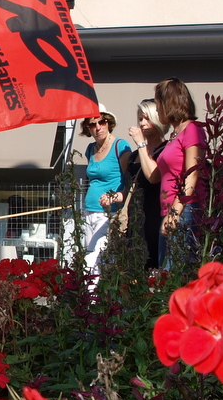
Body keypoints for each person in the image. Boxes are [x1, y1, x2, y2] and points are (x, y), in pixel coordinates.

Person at [135, 78, 207, 267]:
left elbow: (192, 173)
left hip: (185, 211)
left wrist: (175, 213)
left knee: (176, 273)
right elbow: (157, 175)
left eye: (158, 104)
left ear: (169, 103)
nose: (157, 110)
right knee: (166, 274)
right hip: (169, 211)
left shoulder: (192, 130)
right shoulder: (175, 135)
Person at [81, 104, 131, 276]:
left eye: (101, 122)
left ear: (108, 122)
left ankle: (93, 300)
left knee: (96, 260)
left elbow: (130, 182)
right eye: (92, 124)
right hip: (88, 212)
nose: (98, 127)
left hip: (109, 213)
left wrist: (114, 197)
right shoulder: (90, 149)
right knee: (89, 255)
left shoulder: (120, 146)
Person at [127, 99, 169, 268]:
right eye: (140, 119)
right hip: (135, 218)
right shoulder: (134, 155)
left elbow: (153, 176)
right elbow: (128, 185)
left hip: (154, 217)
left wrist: (141, 144)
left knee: (153, 266)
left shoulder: (166, 150)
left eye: (147, 118)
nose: (142, 123)